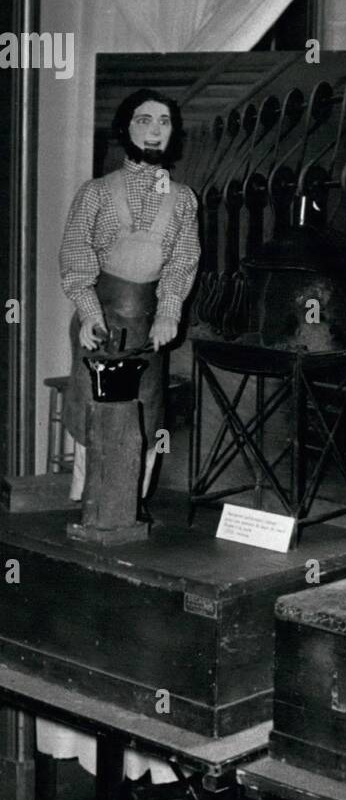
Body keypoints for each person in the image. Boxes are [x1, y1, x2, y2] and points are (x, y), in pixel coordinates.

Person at [59, 88, 200, 517]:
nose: (155, 131)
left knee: (146, 413)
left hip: (148, 326)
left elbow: (181, 261)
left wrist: (169, 314)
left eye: (164, 122)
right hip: (99, 320)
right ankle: (91, 501)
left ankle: (131, 503)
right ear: (126, 128)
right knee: (94, 410)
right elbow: (76, 252)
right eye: (144, 121)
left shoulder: (183, 199)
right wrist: (88, 311)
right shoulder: (96, 192)